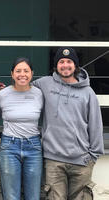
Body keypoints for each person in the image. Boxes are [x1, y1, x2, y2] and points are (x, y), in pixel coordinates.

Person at [32, 47, 104, 200]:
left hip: (82, 160)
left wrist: (93, 156)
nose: (65, 65)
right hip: (54, 160)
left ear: (75, 65)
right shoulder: (44, 84)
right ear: (56, 65)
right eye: (61, 61)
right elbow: (23, 87)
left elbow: (96, 125)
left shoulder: (88, 92)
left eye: (69, 61)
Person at [0, 57, 43, 200]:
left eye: (26, 71)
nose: (22, 74)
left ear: (32, 73)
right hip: (9, 146)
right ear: (12, 74)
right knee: (11, 195)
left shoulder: (39, 94)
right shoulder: (2, 95)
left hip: (34, 146)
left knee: (33, 195)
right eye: (18, 71)